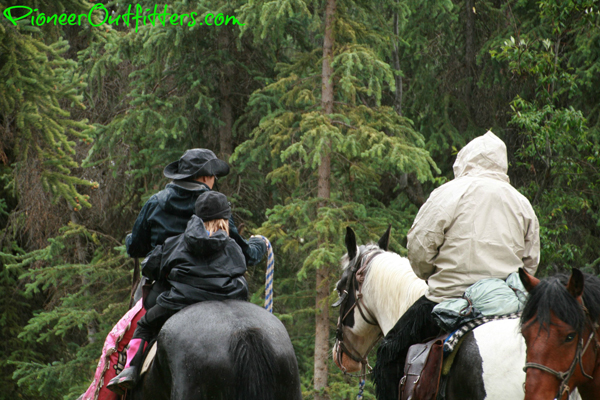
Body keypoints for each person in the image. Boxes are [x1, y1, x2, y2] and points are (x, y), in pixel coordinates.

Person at [373, 131, 540, 400]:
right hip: (508, 303)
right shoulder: (522, 203)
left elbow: (418, 249)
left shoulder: (448, 193)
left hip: (451, 298)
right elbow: (530, 265)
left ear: (465, 160)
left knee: (388, 352)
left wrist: (428, 275)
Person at [107, 191, 248, 394]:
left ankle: (131, 370)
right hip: (225, 301)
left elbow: (150, 266)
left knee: (144, 325)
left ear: (198, 218)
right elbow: (239, 269)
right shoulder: (232, 246)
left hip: (181, 301)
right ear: (225, 220)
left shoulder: (177, 242)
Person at [127, 148, 266, 266]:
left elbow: (135, 248)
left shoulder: (155, 202)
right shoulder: (215, 207)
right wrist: (258, 243)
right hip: (211, 284)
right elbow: (245, 255)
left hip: (164, 284)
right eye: (214, 177)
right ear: (206, 177)